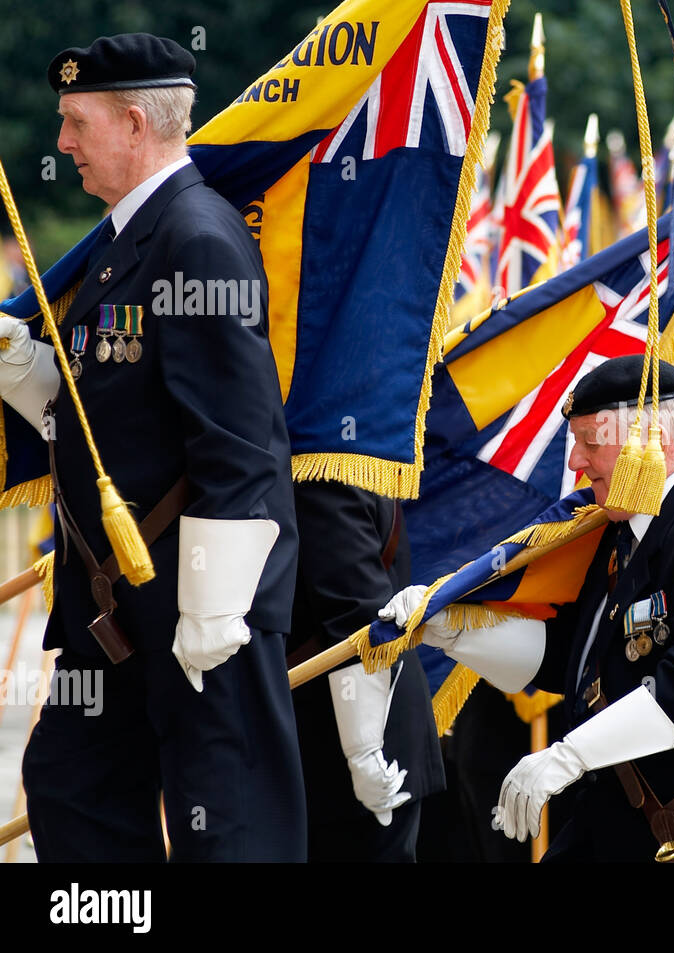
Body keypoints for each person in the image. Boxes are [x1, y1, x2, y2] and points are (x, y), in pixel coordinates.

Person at [5, 33, 305, 860]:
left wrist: (212, 608)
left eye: (75, 123)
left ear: (134, 123)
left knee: (229, 830)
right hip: (113, 612)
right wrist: (24, 365)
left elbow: (241, 440)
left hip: (199, 606)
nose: (61, 144)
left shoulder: (196, 238)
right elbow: (117, 416)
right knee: (73, 793)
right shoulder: (118, 247)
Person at [382, 356, 674, 862]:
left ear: (655, 441)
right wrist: (450, 627)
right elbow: (571, 660)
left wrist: (567, 757)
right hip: (620, 815)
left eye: (591, 442)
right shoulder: (621, 527)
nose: (576, 461)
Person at [288, 481, 443, 862]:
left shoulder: (328, 468)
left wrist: (363, 748)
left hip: (357, 732)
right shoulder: (355, 455)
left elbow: (356, 614)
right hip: (358, 719)